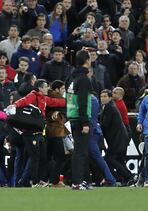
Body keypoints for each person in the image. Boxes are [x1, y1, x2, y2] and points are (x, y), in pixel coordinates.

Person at [7, 79, 65, 187]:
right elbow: (23, 101)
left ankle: (37, 180)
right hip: (30, 131)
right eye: (45, 86)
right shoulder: (33, 96)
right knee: (34, 157)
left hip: (39, 131)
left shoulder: (44, 98)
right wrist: (14, 105)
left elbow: (57, 102)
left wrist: (69, 102)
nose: (47, 88)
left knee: (42, 157)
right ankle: (33, 182)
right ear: (40, 88)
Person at [65, 49, 92, 190]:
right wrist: (85, 122)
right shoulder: (84, 79)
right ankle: (77, 182)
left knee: (80, 152)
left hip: (72, 117)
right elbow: (83, 102)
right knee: (80, 152)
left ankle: (83, 180)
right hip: (81, 119)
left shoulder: (71, 78)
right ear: (87, 61)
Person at [100, 89, 134, 186]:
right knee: (118, 160)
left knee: (109, 159)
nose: (103, 98)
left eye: (105, 96)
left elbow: (105, 124)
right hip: (119, 138)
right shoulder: (109, 106)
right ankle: (127, 178)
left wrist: (96, 125)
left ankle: (127, 176)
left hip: (117, 139)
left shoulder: (110, 107)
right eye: (101, 96)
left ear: (110, 97)